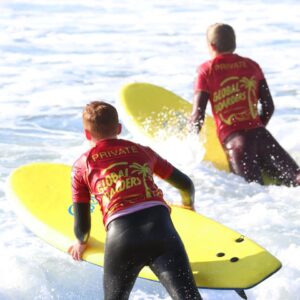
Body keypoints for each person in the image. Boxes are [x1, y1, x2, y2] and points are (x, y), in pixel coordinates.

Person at [68, 101, 202, 300]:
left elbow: (83, 224)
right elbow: (185, 184)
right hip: (161, 232)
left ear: (87, 134)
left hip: (121, 240)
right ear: (119, 128)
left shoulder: (81, 166)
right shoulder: (143, 151)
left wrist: (80, 241)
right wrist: (188, 204)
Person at [190, 23, 300, 186]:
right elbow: (268, 106)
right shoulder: (252, 65)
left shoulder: (206, 70)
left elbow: (198, 115)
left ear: (211, 46)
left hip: (236, 144)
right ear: (234, 44)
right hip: (262, 136)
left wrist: (190, 149)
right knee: (296, 178)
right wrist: (256, 129)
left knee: (255, 192)